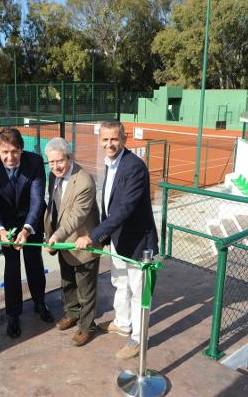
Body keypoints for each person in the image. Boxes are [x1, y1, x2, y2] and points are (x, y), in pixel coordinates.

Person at [75, 121, 158, 359]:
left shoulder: (134, 168)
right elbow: (109, 205)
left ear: (124, 140)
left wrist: (93, 235)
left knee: (139, 292)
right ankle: (123, 323)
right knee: (120, 283)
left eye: (114, 139)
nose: (109, 144)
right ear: (100, 140)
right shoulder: (110, 164)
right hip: (119, 240)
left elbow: (123, 209)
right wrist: (106, 237)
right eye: (105, 140)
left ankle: (138, 340)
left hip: (138, 243)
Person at [0, 128, 54, 339]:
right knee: (11, 268)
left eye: (14, 151)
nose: (10, 157)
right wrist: (1, 229)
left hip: (30, 223)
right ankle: (13, 315)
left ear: (21, 149)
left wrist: (27, 229)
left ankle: (40, 303)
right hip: (7, 227)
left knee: (34, 262)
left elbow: (37, 200)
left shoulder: (35, 162)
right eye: (5, 152)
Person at [43, 138, 100, 347]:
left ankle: (87, 327)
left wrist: (56, 236)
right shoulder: (52, 176)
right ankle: (72, 313)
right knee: (67, 283)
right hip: (62, 242)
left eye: (60, 161)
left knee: (86, 289)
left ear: (70, 157)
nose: (56, 166)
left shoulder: (84, 181)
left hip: (82, 242)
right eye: (51, 162)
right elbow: (54, 208)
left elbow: (75, 216)